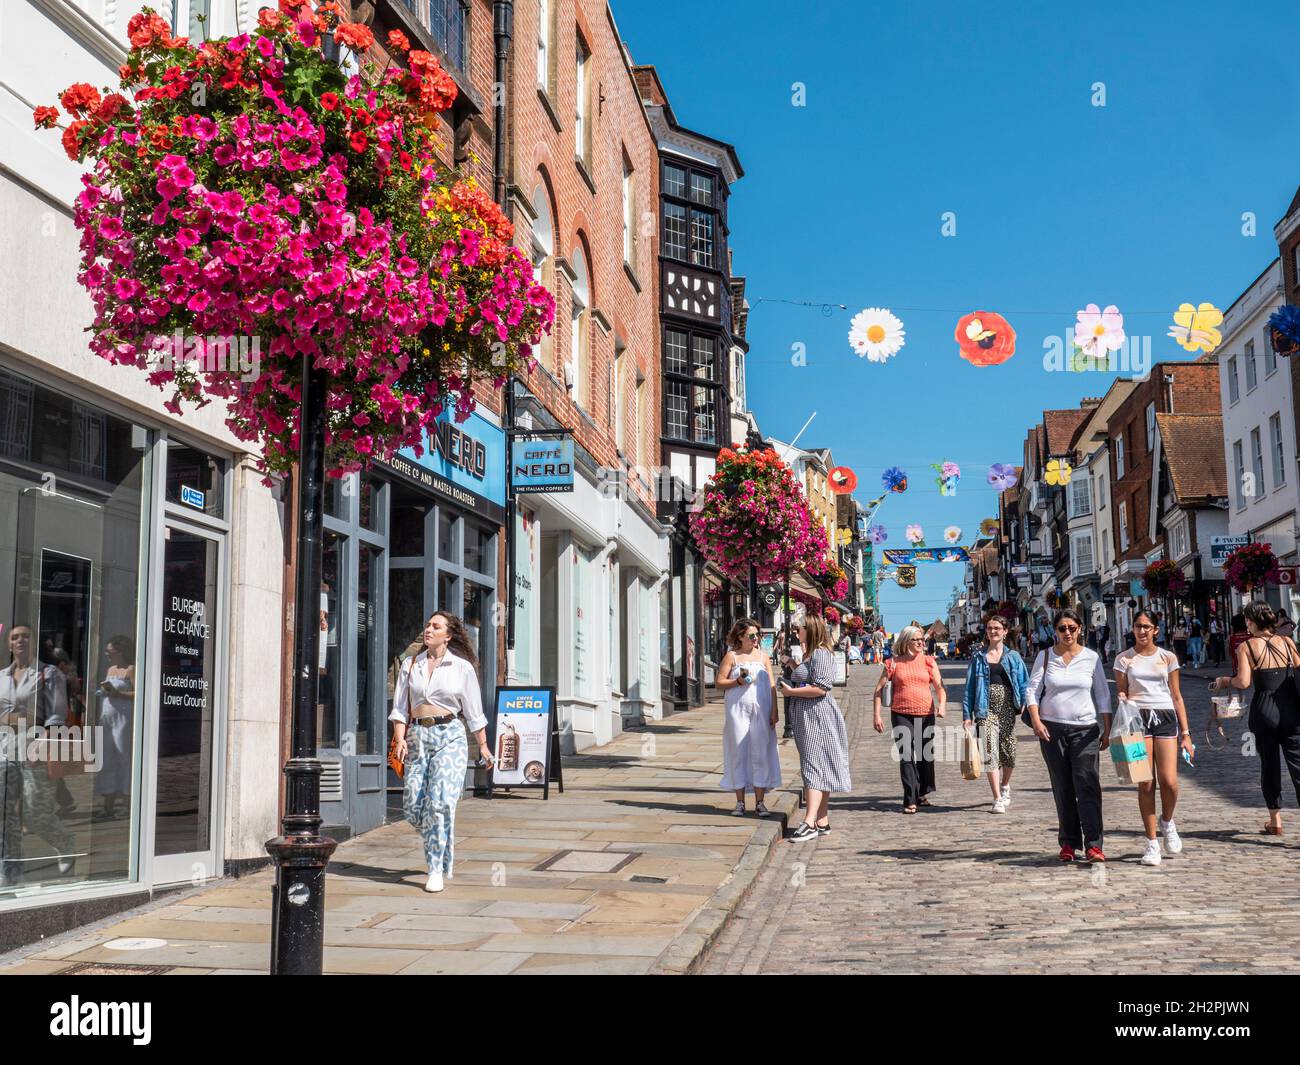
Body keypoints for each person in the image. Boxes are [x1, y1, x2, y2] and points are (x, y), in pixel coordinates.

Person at [389, 611, 494, 892]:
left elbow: (474, 713)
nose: (428, 629)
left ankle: (434, 868)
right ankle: (440, 833)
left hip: (450, 737)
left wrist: (483, 746)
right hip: (416, 738)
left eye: (436, 626)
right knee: (412, 807)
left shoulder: (462, 668)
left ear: (448, 635)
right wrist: (399, 739)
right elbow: (400, 709)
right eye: (427, 625)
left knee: (439, 804)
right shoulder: (411, 664)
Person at [1024, 609, 1113, 862]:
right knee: (1062, 787)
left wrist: (1106, 728)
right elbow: (1032, 691)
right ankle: (1068, 842)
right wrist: (1036, 720)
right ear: (1055, 631)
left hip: (1085, 729)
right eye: (1062, 628)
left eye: (1072, 628)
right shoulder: (1044, 657)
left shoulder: (1091, 658)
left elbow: (1103, 694)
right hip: (1052, 729)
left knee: (1088, 785)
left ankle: (1094, 844)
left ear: (1080, 629)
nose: (1067, 633)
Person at [1212, 601, 1300, 836]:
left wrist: (1224, 681)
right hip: (1292, 709)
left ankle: (1276, 820)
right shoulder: (1288, 642)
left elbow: (1243, 682)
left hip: (1265, 710)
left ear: (1251, 621)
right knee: (1298, 767)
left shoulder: (1248, 647)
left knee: (1269, 766)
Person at [1114, 612, 1193, 866]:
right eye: (1138, 626)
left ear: (1156, 630)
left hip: (1165, 716)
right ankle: (1151, 843)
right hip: (1137, 719)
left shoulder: (1167, 657)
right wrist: (1123, 700)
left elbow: (1177, 696)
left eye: (1147, 626)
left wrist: (1186, 734)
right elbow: (1122, 691)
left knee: (1170, 782)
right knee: (1145, 782)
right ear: (1133, 629)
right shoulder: (1123, 659)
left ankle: (1167, 821)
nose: (1142, 631)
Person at [0, 624, 76, 886]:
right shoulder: (1, 677)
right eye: (15, 637)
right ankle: (9, 870)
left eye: (25, 636)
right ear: (9, 644)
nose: (20, 640)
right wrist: (17, 717)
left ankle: (64, 843)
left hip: (34, 747)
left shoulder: (48, 673)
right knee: (4, 813)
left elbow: (56, 713)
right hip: (4, 748)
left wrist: (44, 738)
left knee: (34, 813)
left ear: (33, 643)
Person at [781, 615, 851, 841]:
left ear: (809, 630)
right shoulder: (811, 654)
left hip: (816, 716)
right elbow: (808, 678)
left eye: (799, 628)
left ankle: (809, 822)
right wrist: (794, 665)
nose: (796, 632)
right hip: (807, 716)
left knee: (812, 767)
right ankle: (822, 819)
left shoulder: (820, 653)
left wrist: (791, 693)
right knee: (817, 765)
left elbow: (821, 688)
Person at [873, 625, 946, 813]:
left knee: (924, 756)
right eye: (917, 639)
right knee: (906, 755)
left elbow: (939, 686)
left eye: (923, 639)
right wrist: (877, 715)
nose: (921, 643)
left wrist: (942, 704)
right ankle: (909, 799)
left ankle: (921, 792)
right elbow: (879, 690)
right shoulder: (893, 663)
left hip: (926, 713)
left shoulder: (929, 662)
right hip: (901, 713)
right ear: (906, 641)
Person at [961, 615, 1029, 813]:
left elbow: (1024, 683)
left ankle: (1005, 785)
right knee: (989, 751)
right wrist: (967, 714)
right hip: (985, 709)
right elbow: (969, 688)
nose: (993, 631)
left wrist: (1026, 704)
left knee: (1009, 752)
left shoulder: (1013, 657)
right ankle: (997, 798)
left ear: (1005, 631)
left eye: (997, 628)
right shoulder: (978, 657)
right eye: (990, 628)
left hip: (1007, 708)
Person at [716, 618, 780, 817]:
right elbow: (719, 682)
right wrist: (737, 681)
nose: (756, 638)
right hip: (737, 711)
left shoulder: (763, 657)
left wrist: (775, 710)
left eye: (757, 635)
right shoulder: (731, 657)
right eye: (752, 635)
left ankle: (760, 802)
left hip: (761, 710)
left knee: (761, 753)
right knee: (738, 753)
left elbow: (771, 685)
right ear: (740, 637)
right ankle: (740, 802)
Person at [95, 635, 136, 819]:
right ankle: (108, 805)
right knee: (107, 759)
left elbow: (139, 693)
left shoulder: (131, 669)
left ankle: (127, 805)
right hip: (107, 716)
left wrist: (118, 693)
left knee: (123, 759)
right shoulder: (111, 669)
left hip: (123, 717)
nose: (107, 654)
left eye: (110, 651)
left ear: (120, 651)